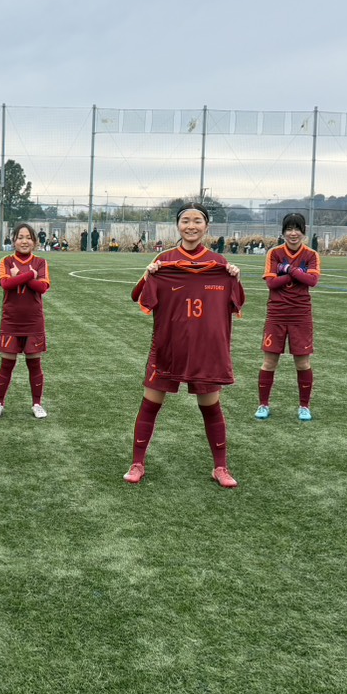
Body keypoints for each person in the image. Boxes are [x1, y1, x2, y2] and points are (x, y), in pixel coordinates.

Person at [126, 203, 246, 488]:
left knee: (210, 406)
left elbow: (238, 302)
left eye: (197, 221)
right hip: (167, 347)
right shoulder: (164, 260)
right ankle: (137, 463)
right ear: (178, 225)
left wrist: (235, 278)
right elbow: (137, 296)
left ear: (207, 226)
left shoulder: (220, 264)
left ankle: (220, 467)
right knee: (151, 403)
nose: (191, 226)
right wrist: (148, 274)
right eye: (185, 221)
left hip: (206, 350)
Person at [255, 212, 320, 422]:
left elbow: (312, 281)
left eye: (297, 229)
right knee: (269, 362)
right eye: (289, 229)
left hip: (300, 315)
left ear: (303, 232)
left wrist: (287, 269)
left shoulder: (311, 254)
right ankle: (263, 404)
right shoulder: (274, 253)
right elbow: (271, 283)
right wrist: (298, 273)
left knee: (302, 363)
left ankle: (304, 406)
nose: (293, 233)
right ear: (283, 232)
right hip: (277, 314)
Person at [0, 222, 50, 420]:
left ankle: (37, 404)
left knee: (34, 364)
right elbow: (6, 284)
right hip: (11, 322)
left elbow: (42, 288)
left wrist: (22, 275)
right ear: (13, 240)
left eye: (28, 238)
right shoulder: (6, 261)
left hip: (34, 322)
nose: (24, 241)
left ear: (35, 241)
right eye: (20, 237)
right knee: (7, 364)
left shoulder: (40, 262)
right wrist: (30, 275)